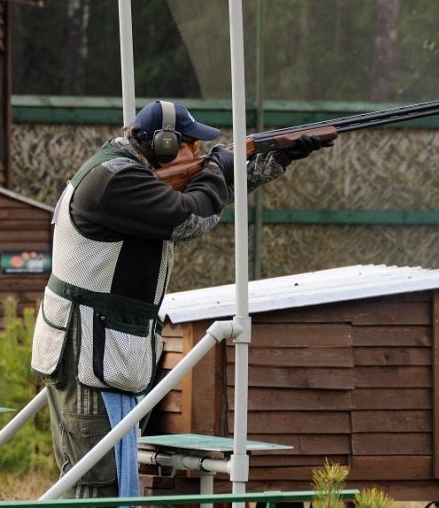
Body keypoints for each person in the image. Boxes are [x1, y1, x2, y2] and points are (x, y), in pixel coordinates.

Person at [30, 100, 330, 499]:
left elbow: (211, 192)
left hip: (99, 352)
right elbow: (191, 216)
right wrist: (213, 168)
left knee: (107, 478)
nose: (196, 153)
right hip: (88, 355)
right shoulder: (116, 182)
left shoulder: (127, 170)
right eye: (189, 145)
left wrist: (281, 156)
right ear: (164, 144)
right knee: (96, 484)